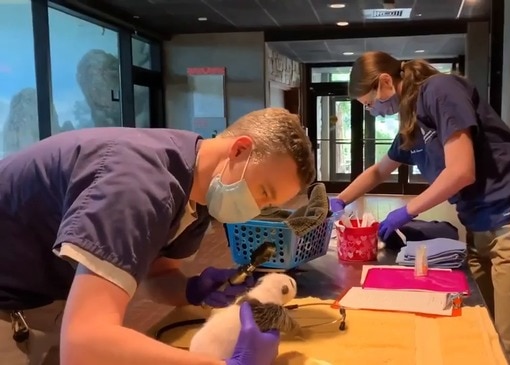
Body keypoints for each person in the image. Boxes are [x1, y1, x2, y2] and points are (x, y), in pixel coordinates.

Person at [0, 107, 315, 365]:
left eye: (268, 204)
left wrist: (192, 289)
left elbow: (157, 275)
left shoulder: (198, 190)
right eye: (263, 192)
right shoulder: (137, 186)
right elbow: (83, 345)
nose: (254, 209)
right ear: (240, 149)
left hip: (52, 301)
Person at [329, 52, 510, 365]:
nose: (372, 113)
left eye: (368, 104)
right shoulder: (411, 122)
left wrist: (407, 211)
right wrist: (338, 200)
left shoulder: (439, 90)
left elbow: (462, 171)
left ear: (385, 82)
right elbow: (379, 171)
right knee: (477, 329)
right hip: (478, 228)